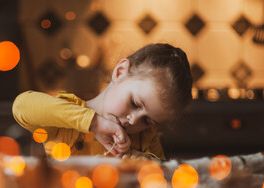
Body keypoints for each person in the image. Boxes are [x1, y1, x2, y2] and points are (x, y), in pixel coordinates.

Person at [12, 43, 193, 160]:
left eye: (147, 120)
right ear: (120, 72)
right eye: (135, 103)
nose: (133, 120)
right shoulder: (65, 118)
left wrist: (147, 163)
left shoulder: (145, 139)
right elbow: (21, 106)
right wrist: (93, 123)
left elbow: (161, 175)